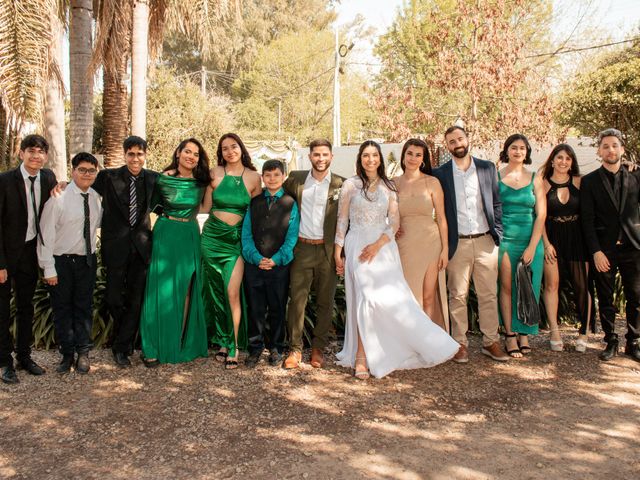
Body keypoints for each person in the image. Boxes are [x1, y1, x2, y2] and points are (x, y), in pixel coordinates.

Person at [334, 140, 459, 379]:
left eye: (375, 156)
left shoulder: (389, 187)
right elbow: (342, 220)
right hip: (357, 243)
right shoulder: (351, 185)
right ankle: (361, 356)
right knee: (365, 297)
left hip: (384, 247)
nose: (370, 160)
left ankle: (418, 343)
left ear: (380, 159)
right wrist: (337, 250)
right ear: (360, 159)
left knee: (392, 300)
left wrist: (379, 244)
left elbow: (394, 222)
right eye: (366, 156)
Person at [432, 126, 509, 363]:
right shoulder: (440, 174)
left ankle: (490, 342)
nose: (457, 143)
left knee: (488, 294)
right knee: (458, 295)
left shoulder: (487, 168)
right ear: (447, 146)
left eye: (460, 138)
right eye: (452, 141)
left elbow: (496, 203)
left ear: (468, 139)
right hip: (458, 243)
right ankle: (459, 344)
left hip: (486, 240)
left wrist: (498, 234)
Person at [139, 138, 210, 366]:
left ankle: (179, 340)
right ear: (178, 153)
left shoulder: (202, 182)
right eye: (187, 151)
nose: (191, 156)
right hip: (166, 232)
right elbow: (151, 204)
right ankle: (155, 344)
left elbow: (207, 207)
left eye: (196, 153)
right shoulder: (162, 179)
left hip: (189, 233)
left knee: (186, 288)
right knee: (160, 289)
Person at [90, 136, 159, 368]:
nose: (135, 158)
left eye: (140, 154)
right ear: (125, 155)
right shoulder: (108, 177)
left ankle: (122, 347)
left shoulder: (153, 178)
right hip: (115, 247)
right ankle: (124, 335)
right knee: (112, 298)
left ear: (145, 155)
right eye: (131, 154)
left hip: (141, 247)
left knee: (135, 298)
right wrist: (59, 185)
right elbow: (82, 183)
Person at [201, 133, 262, 369]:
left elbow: (256, 216)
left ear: (241, 148)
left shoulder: (254, 177)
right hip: (211, 238)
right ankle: (222, 341)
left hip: (235, 241)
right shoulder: (213, 174)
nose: (229, 151)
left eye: (233, 146)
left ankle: (235, 344)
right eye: (224, 148)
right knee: (215, 290)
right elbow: (205, 207)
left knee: (231, 292)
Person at [38, 153, 103, 374]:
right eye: (82, 170)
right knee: (62, 308)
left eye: (91, 170)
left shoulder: (95, 197)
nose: (87, 174)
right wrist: (48, 268)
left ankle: (83, 353)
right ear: (73, 170)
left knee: (84, 306)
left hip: (87, 260)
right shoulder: (59, 197)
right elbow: (45, 234)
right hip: (61, 261)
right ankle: (66, 354)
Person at [282, 139, 344, 369]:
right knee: (297, 300)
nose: (320, 158)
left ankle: (318, 348)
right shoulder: (296, 180)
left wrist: (342, 253)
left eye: (324, 154)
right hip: (301, 248)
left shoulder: (341, 184)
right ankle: (295, 350)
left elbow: (345, 221)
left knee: (325, 302)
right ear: (309, 156)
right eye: (316, 154)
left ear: (331, 157)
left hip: (327, 250)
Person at [0, 134, 57, 384]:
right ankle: (4, 361)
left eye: (41, 152)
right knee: (2, 309)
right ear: (21, 153)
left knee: (26, 307)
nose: (36, 156)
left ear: (45, 156)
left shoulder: (48, 178)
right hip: (6, 254)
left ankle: (24, 355)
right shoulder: (4, 181)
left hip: (30, 254)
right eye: (31, 151)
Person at [581, 128, 640, 362]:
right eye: (605, 146)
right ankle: (611, 340)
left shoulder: (636, 175)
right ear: (599, 151)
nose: (610, 149)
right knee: (605, 298)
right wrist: (595, 251)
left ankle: (633, 342)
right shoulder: (589, 181)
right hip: (604, 250)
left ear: (622, 149)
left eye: (614, 145)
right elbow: (587, 220)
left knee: (636, 296)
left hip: (633, 247)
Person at [241, 160, 300, 368]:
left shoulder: (290, 203)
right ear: (262, 177)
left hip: (279, 267)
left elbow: (292, 237)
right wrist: (256, 258)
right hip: (254, 265)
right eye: (268, 175)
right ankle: (255, 348)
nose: (272, 179)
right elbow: (246, 234)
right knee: (255, 308)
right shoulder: (254, 202)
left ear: (283, 176)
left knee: (277, 307)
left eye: (276, 175)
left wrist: (276, 260)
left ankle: (276, 347)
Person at [497, 134, 546, 357]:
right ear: (507, 150)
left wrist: (531, 246)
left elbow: (541, 215)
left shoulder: (536, 178)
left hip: (531, 241)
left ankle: (524, 333)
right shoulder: (496, 176)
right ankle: (509, 334)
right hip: (506, 241)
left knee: (528, 287)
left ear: (527, 153)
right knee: (507, 288)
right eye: (514, 148)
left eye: (522, 149)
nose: (518, 152)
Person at [540, 144, 591, 352]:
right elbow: (539, 217)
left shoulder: (580, 182)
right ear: (552, 160)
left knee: (582, 285)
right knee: (552, 284)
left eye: (568, 159)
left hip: (578, 238)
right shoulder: (542, 184)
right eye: (559, 158)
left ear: (572, 163)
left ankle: (584, 332)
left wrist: (628, 165)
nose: (563, 162)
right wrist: (546, 244)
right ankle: (554, 331)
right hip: (552, 237)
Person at [395, 139, 449, 330]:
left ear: (424, 159)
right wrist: (392, 227)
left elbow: (442, 218)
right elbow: (384, 213)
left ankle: (428, 342)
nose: (413, 158)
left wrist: (445, 250)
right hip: (403, 244)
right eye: (410, 153)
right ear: (403, 155)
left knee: (427, 296)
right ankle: (409, 339)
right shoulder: (393, 183)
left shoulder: (432, 182)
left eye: (418, 155)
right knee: (407, 296)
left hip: (430, 243)